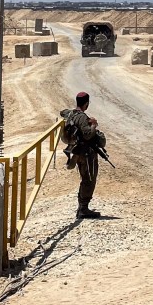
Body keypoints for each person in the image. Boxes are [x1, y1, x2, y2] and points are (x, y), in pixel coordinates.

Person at [63, 91, 103, 219]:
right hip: (85, 154)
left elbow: (62, 112)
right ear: (87, 104)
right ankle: (83, 209)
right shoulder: (82, 117)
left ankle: (82, 207)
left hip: (76, 151)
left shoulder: (71, 114)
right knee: (89, 180)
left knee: (85, 179)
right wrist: (93, 125)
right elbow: (87, 134)